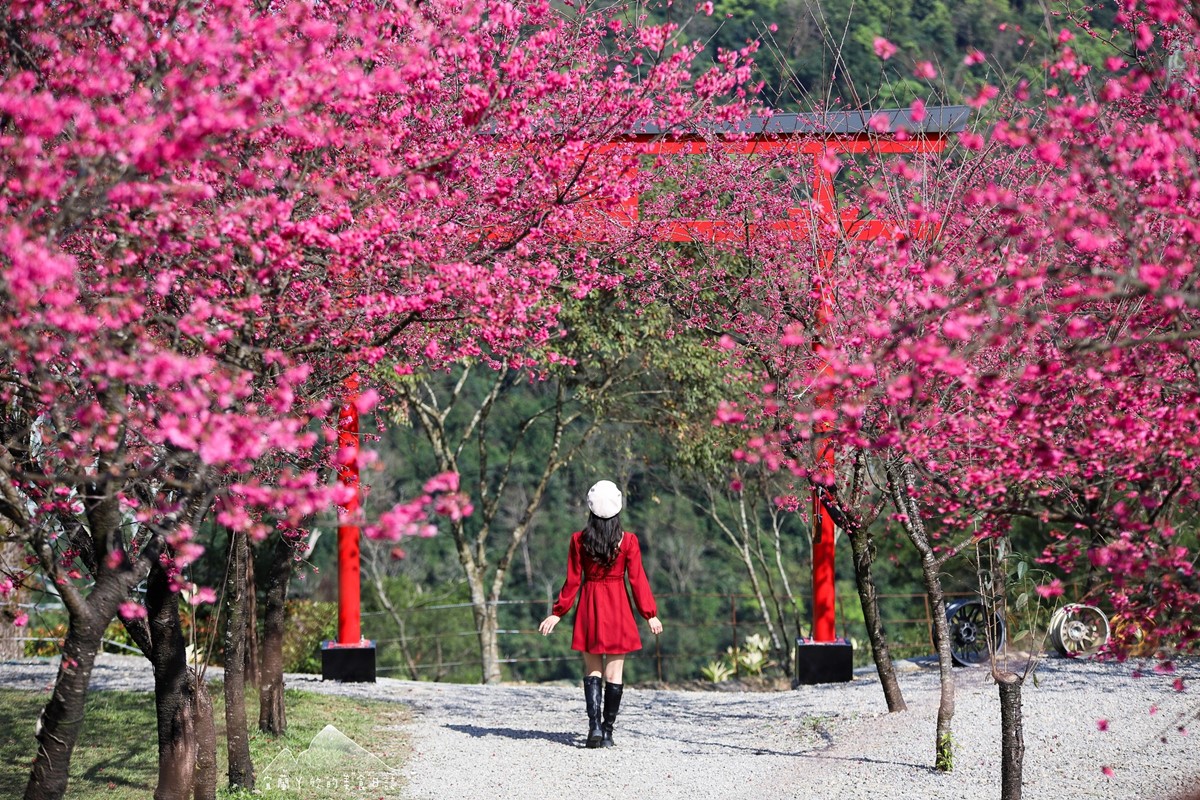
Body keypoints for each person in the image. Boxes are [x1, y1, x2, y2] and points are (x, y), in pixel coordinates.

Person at [539, 480, 662, 748]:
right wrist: (649, 614)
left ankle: (593, 727)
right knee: (614, 675)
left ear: (590, 510)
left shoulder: (578, 541)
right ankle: (607, 733)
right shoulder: (628, 541)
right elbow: (637, 580)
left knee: (592, 671)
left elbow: (572, 581)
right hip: (618, 606)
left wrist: (558, 612)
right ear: (618, 509)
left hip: (590, 606)